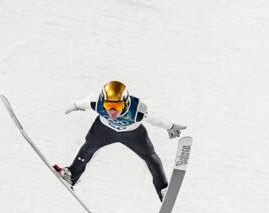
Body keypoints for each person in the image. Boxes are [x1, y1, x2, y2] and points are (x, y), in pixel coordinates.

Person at [56, 81, 186, 201]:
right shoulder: (95, 102)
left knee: (150, 157)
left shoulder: (137, 109)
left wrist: (170, 126)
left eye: (117, 106)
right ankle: (71, 176)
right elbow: (80, 103)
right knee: (87, 148)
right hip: (104, 130)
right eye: (108, 105)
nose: (112, 111)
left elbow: (155, 119)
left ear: (125, 103)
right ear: (103, 101)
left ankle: (163, 189)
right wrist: (73, 106)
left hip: (133, 134)